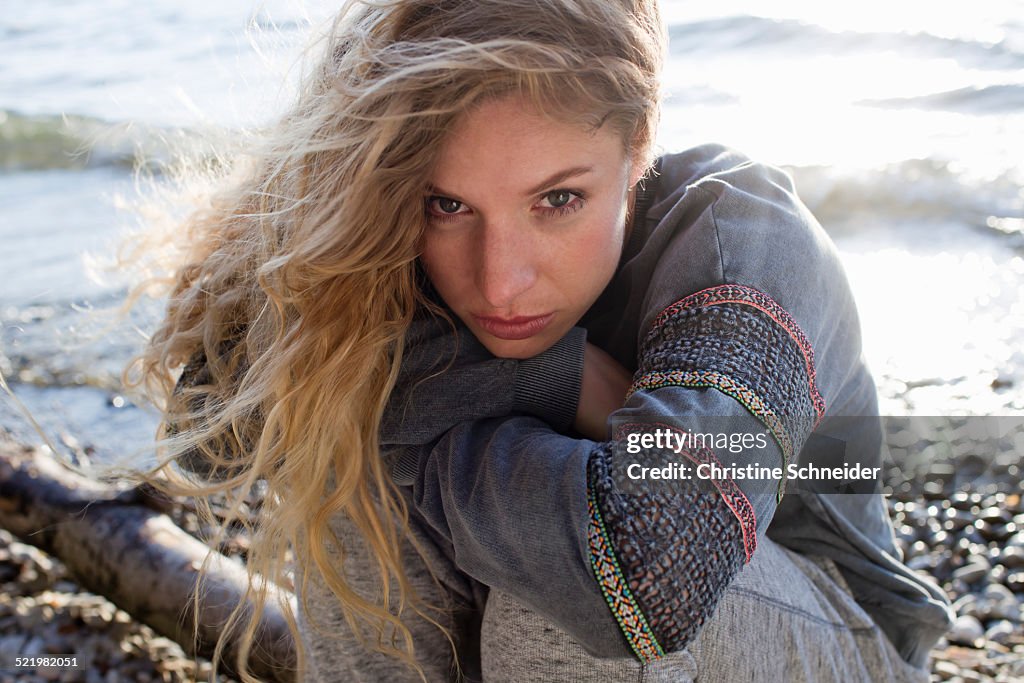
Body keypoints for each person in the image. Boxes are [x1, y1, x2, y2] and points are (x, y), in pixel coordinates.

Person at [130, 0, 955, 681]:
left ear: (637, 152)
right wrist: (552, 378)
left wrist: (448, 422)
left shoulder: (749, 242)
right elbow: (215, 429)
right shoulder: (392, 235)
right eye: (448, 205)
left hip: (839, 636)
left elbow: (653, 575)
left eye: (557, 200)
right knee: (342, 461)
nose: (499, 282)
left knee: (558, 586)